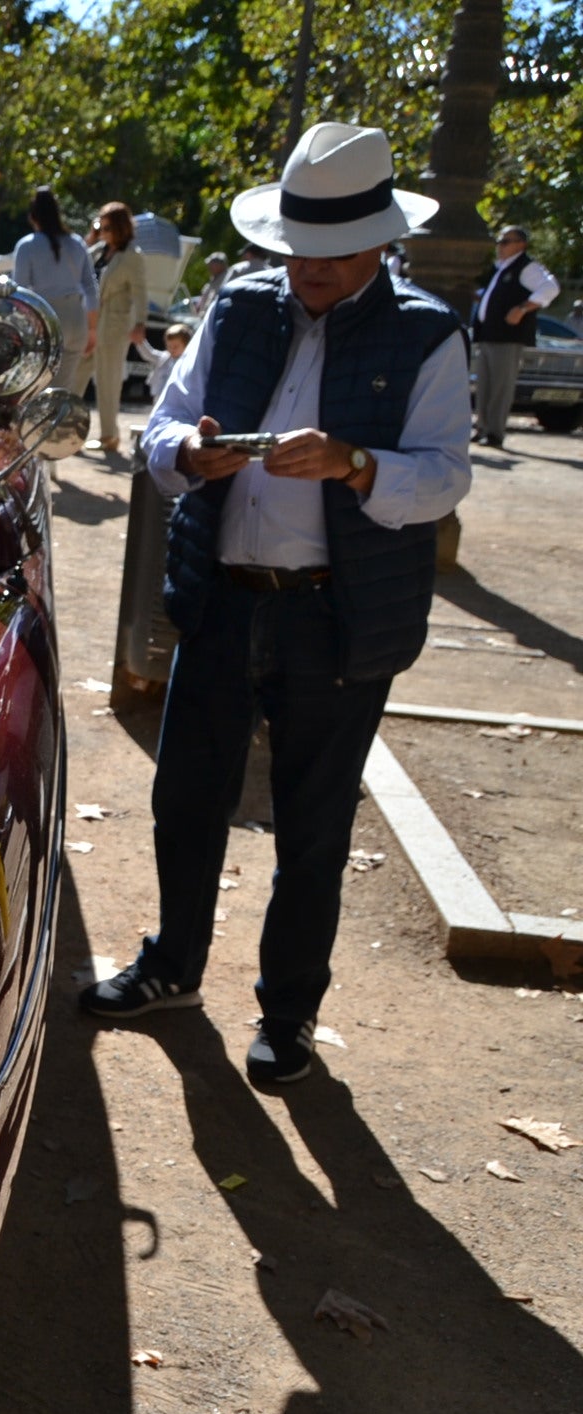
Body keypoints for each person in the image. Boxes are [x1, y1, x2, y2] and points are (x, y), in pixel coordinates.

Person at [84, 121, 470, 1090]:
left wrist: (356, 463)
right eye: (296, 249)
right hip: (223, 597)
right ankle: (173, 965)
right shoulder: (240, 305)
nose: (308, 270)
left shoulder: (425, 333)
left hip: (335, 619)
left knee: (313, 828)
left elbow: (443, 478)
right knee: (186, 798)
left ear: (380, 242)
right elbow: (163, 426)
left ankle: (289, 1015)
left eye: (332, 253)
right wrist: (188, 455)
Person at [470, 225, 561, 447]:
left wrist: (522, 308)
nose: (500, 246)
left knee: (500, 387)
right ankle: (482, 428)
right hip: (489, 335)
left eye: (505, 241)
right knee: (484, 386)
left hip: (507, 338)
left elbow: (550, 288)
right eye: (499, 241)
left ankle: (494, 433)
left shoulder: (527, 267)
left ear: (521, 244)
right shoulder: (501, 268)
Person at [68, 202, 145, 454]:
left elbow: (140, 292)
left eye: (107, 226)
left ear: (121, 227)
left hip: (114, 326)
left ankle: (109, 437)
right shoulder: (99, 250)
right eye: (99, 225)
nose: (102, 230)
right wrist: (91, 237)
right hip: (91, 325)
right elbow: (77, 266)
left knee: (108, 382)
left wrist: (140, 323)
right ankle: (70, 432)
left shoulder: (132, 255)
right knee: (77, 376)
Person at [10, 186, 100, 381]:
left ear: (33, 216)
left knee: (38, 384)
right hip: (76, 318)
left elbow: (19, 292)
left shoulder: (27, 245)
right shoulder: (77, 243)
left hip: (44, 318)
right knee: (63, 386)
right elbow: (91, 288)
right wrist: (92, 329)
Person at [134, 321, 193, 398]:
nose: (172, 349)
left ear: (187, 346)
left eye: (175, 347)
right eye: (169, 346)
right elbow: (149, 354)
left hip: (178, 398)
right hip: (160, 395)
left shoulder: (189, 362)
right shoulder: (164, 357)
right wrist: (140, 342)